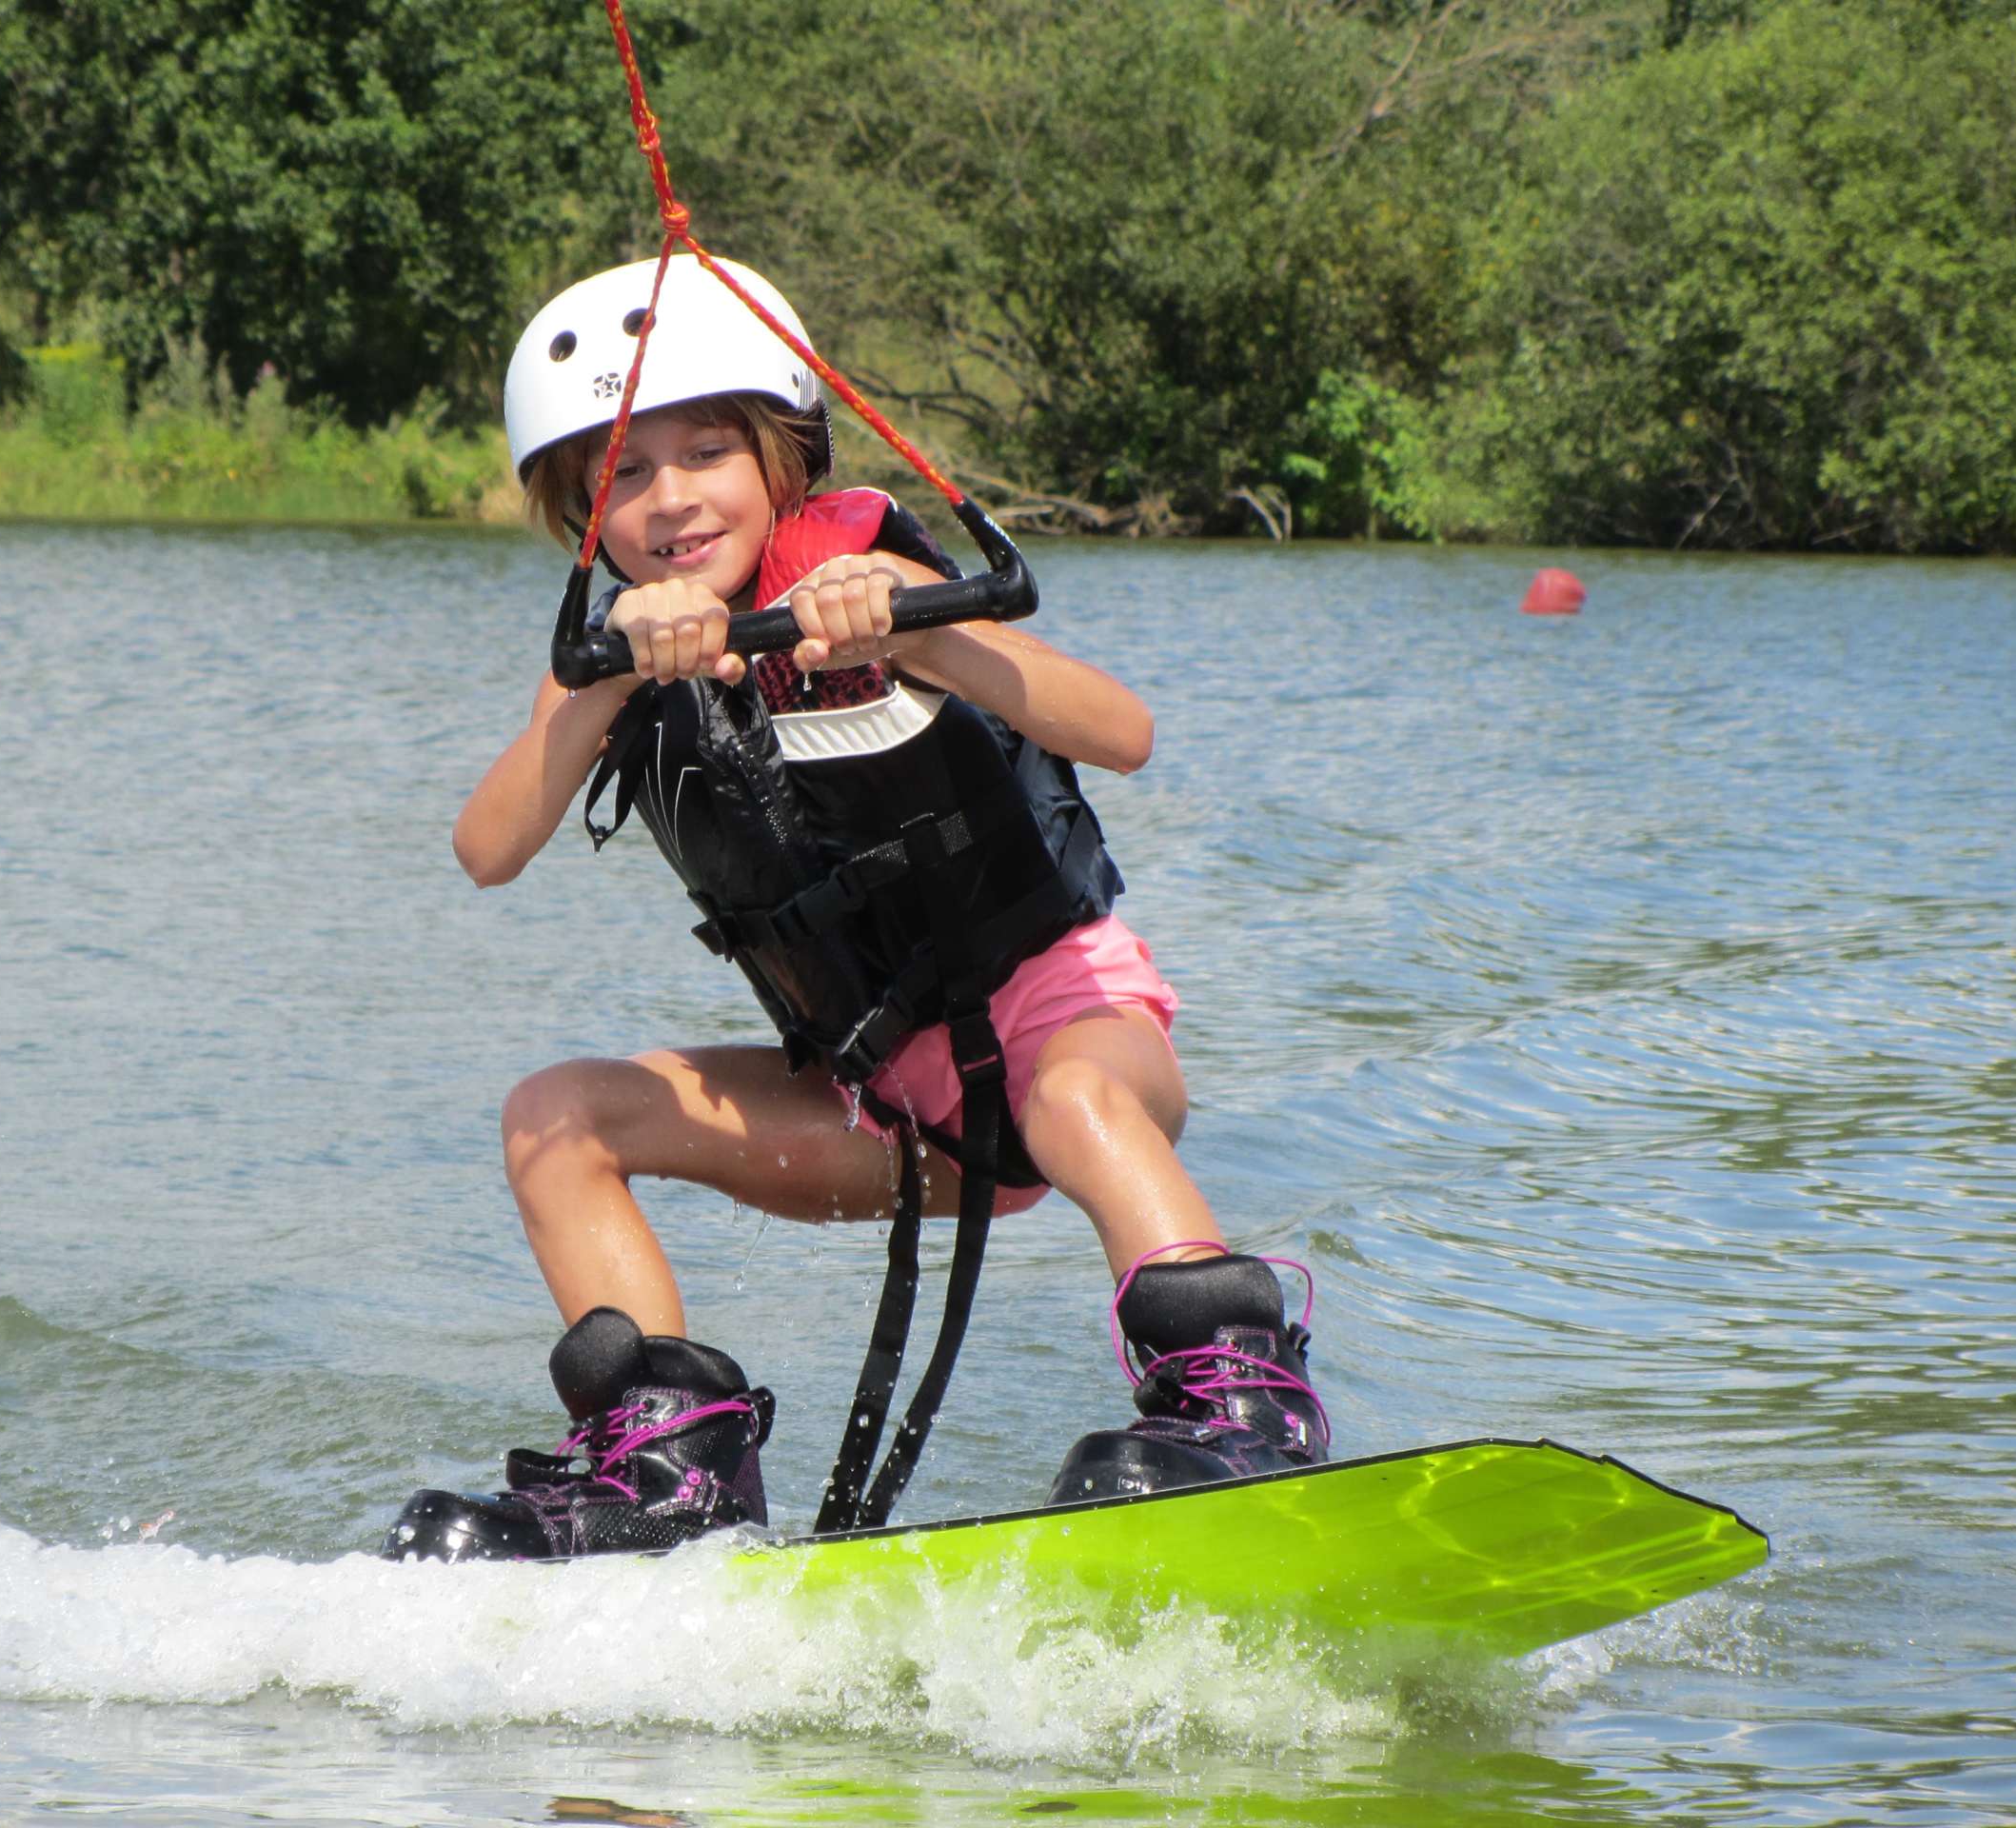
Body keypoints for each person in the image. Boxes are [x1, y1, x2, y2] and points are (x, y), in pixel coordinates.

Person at [384, 257, 1327, 1563]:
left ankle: (1234, 1405)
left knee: (1069, 1100)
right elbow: (487, 848)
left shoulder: (865, 565)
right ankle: (668, 1469)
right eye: (624, 476)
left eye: (705, 451)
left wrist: (917, 634)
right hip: (878, 1109)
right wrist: (610, 683)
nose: (670, 501)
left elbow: (1126, 732)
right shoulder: (605, 661)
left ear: (782, 451)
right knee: (555, 1114)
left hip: (1068, 1020)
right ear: (578, 514)